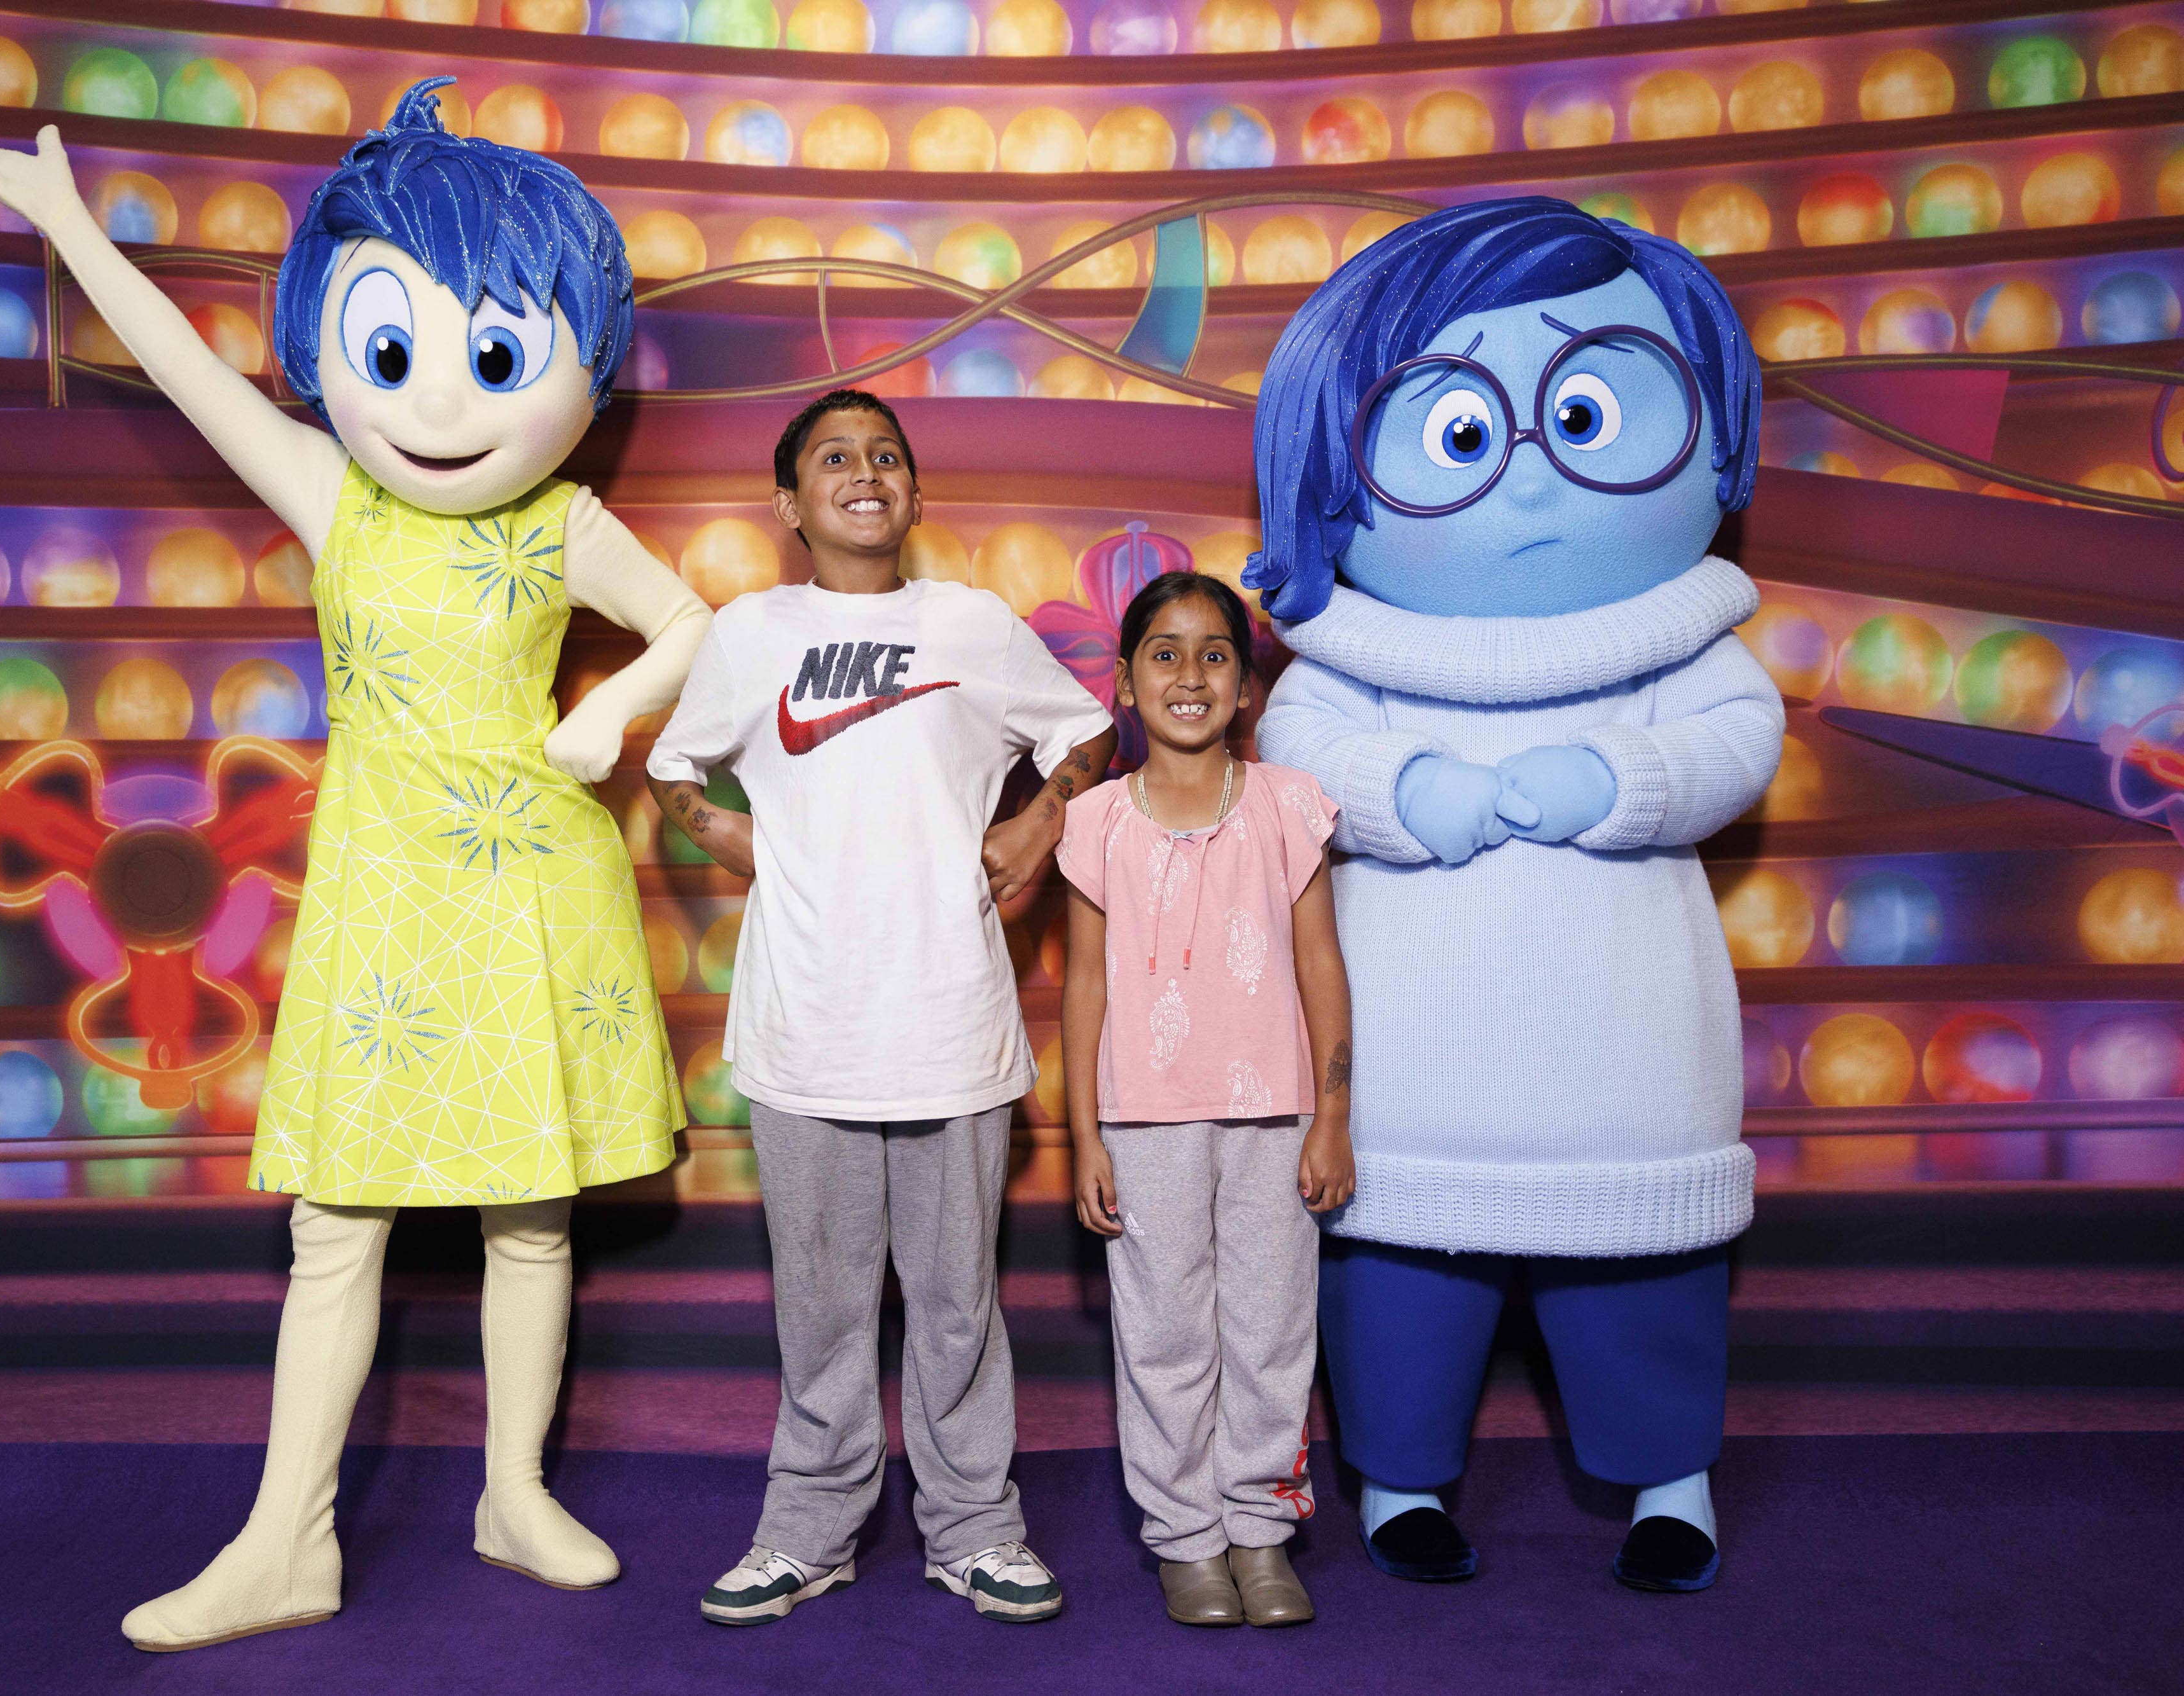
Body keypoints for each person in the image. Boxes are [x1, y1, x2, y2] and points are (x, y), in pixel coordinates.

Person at [0, 83, 709, 1650]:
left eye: (496, 354)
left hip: (531, 891)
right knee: (336, 1227)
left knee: (533, 1212)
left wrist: (613, 708)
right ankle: (286, 1536)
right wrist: (75, 226)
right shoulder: (335, 498)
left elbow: (699, 626)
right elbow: (185, 373)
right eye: (397, 346)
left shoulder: (562, 524)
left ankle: (512, 1490)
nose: (441, 399)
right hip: (378, 899)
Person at [1247, 195, 1780, 1594]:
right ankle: (1398, 1485)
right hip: (1409, 1072)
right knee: (1401, 1286)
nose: (1529, 476)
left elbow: (1733, 744)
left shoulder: (1676, 638)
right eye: (1463, 430)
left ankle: (1671, 1481)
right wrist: (1405, 794)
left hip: (1627, 1056)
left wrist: (1621, 779)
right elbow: (1301, 757)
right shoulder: (1348, 652)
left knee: (1640, 1273)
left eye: (1587, 414)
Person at [647, 390, 1117, 1624]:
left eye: (887, 456)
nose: (865, 472)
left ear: (913, 491)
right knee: (821, 1307)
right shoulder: (751, 633)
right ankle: (810, 1527)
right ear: (790, 503)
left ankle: (974, 1528)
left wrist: (1039, 810)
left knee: (959, 1303)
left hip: (952, 1022)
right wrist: (744, 841)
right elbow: (671, 775)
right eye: (834, 458)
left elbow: (1086, 731)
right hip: (805, 1031)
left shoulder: (970, 620)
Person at [1059, 570, 1355, 1630]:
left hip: (1275, 1115)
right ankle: (1186, 1540)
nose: (1190, 675)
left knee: (1272, 1333)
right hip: (1143, 1121)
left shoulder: (1288, 806)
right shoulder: (1093, 821)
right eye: (1165, 654)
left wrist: (1332, 1115)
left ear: (1248, 687)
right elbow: (1085, 985)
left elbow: (1321, 962)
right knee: (1166, 1338)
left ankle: (1263, 1535)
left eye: (1215, 654)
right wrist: (1083, 1137)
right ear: (1127, 686)